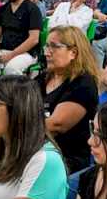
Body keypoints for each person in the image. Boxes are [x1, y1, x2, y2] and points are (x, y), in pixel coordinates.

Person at [38, 25, 100, 173]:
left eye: (54, 46)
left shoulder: (83, 84)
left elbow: (56, 125)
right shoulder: (42, 79)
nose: (47, 52)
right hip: (36, 151)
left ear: (73, 53)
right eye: (46, 46)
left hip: (65, 159)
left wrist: (15, 126)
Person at [0, 0, 43, 75]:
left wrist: (11, 55)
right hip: (4, 50)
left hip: (26, 53)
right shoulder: (3, 9)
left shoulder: (32, 9)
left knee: (11, 69)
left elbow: (34, 39)